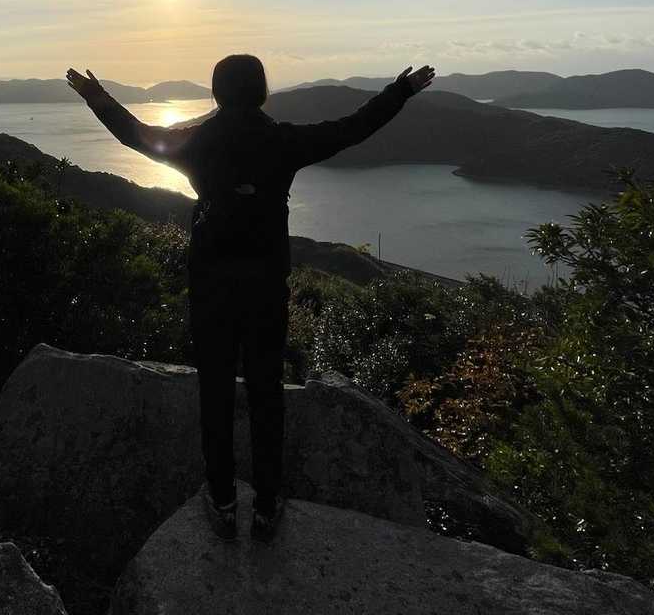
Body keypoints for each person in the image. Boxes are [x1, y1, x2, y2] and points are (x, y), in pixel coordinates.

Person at [66, 54, 435, 542]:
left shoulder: (196, 141)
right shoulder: (283, 141)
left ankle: (222, 499)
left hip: (211, 283)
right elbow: (352, 128)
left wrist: (96, 97)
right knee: (266, 391)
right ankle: (266, 504)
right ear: (261, 91)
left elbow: (135, 134)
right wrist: (400, 92)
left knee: (215, 391)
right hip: (265, 284)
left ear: (217, 93)